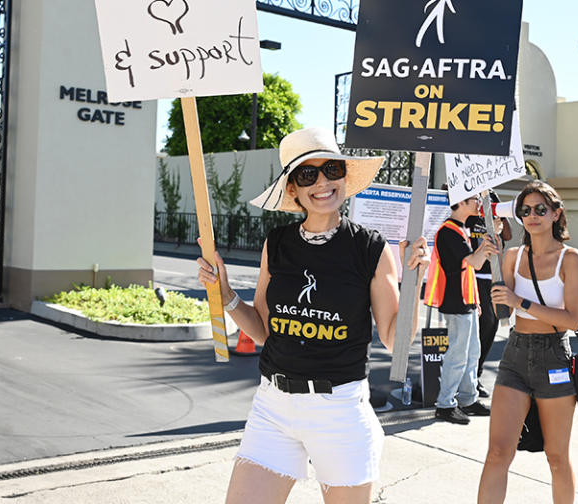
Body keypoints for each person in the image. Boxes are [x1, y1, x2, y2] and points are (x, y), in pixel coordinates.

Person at [196, 127, 428, 504]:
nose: (322, 182)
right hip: (273, 406)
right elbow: (264, 331)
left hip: (339, 412)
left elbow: (392, 338)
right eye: (308, 174)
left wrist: (414, 284)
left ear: (344, 176)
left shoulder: (370, 248)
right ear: (293, 188)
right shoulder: (278, 243)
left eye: (331, 169)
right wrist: (226, 296)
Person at [477, 180, 578, 504]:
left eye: (541, 209)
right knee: (497, 452)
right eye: (525, 210)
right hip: (516, 354)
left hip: (554, 356)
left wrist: (520, 303)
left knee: (556, 457)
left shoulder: (571, 259)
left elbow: (572, 319)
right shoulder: (512, 256)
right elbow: (500, 306)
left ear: (556, 214)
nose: (532, 215)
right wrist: (487, 257)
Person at [424, 192, 496, 424]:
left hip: (467, 301)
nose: (478, 203)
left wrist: (475, 301)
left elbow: (469, 268)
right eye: (474, 199)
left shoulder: (460, 229)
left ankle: (468, 399)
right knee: (458, 354)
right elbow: (473, 263)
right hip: (455, 302)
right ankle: (445, 405)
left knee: (472, 352)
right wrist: (484, 247)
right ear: (461, 202)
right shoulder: (448, 231)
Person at [466, 195, 513, 397]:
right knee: (484, 321)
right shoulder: (470, 216)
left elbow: (508, 235)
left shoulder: (494, 215)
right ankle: (470, 376)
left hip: (492, 275)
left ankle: (477, 373)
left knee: (493, 323)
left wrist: (496, 206)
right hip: (473, 275)